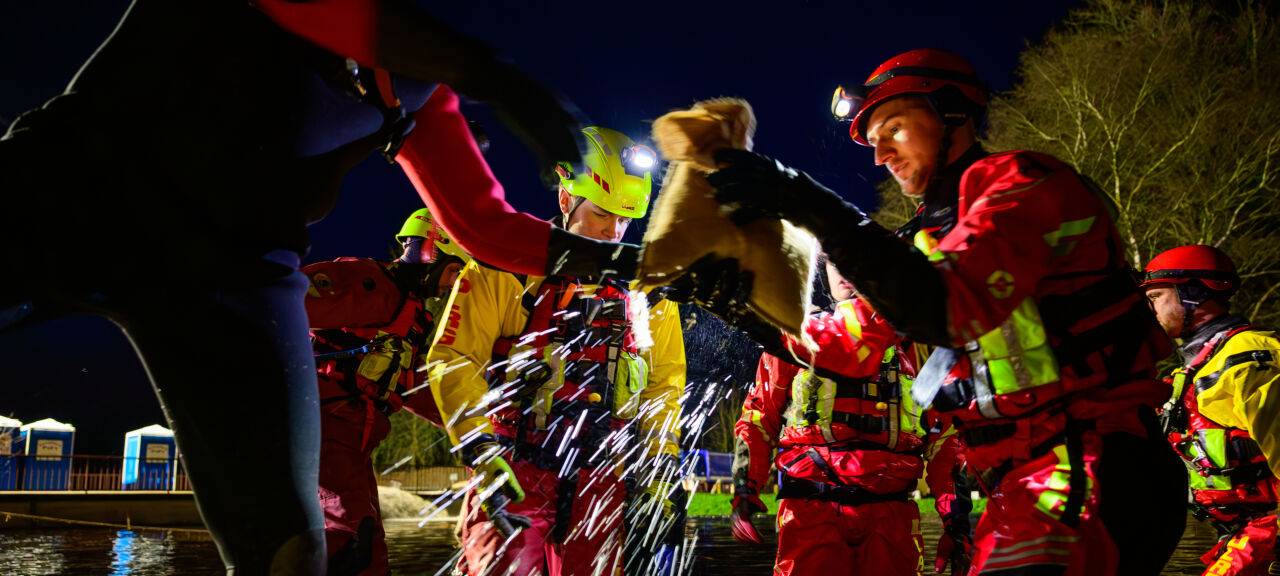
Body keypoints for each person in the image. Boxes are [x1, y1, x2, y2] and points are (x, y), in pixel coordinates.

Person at [0, 2, 638, 571]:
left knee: (290, 547)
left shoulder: (423, 86)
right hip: (75, 192)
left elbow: (482, 225)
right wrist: (485, 69)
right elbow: (334, 16)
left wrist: (641, 263)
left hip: (238, 278)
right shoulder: (418, 49)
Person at [688, 48, 1187, 575]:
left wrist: (817, 207)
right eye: (873, 141)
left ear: (953, 112)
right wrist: (726, 296)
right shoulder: (927, 244)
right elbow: (842, 350)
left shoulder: (1024, 181)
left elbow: (944, 306)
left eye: (894, 128)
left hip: (1092, 468)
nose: (880, 154)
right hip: (1023, 488)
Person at [428, 126, 686, 576]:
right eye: (603, 214)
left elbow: (664, 384)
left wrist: (661, 463)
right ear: (566, 200)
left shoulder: (647, 292)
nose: (615, 231)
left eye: (626, 220)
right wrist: (480, 447)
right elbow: (452, 358)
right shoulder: (501, 265)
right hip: (513, 468)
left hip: (605, 478)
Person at [730, 258, 966, 576]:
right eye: (835, 263)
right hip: (809, 512)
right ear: (824, 271)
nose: (847, 271)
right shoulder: (795, 336)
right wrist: (745, 486)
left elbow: (944, 436)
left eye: (854, 258)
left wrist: (955, 515)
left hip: (892, 516)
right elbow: (759, 417)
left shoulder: (916, 346)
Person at [304, 209, 468, 575]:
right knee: (349, 536)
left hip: (355, 444)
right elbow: (281, 305)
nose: (453, 286)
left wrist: (474, 429)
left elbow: (415, 390)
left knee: (370, 544)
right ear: (431, 251)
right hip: (325, 432)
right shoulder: (365, 281)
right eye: (455, 272)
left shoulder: (411, 318)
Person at [1142, 245, 1280, 575]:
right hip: (1242, 535)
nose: (1150, 310)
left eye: (1157, 296)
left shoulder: (1251, 361)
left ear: (1195, 295)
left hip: (1268, 533)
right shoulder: (1190, 373)